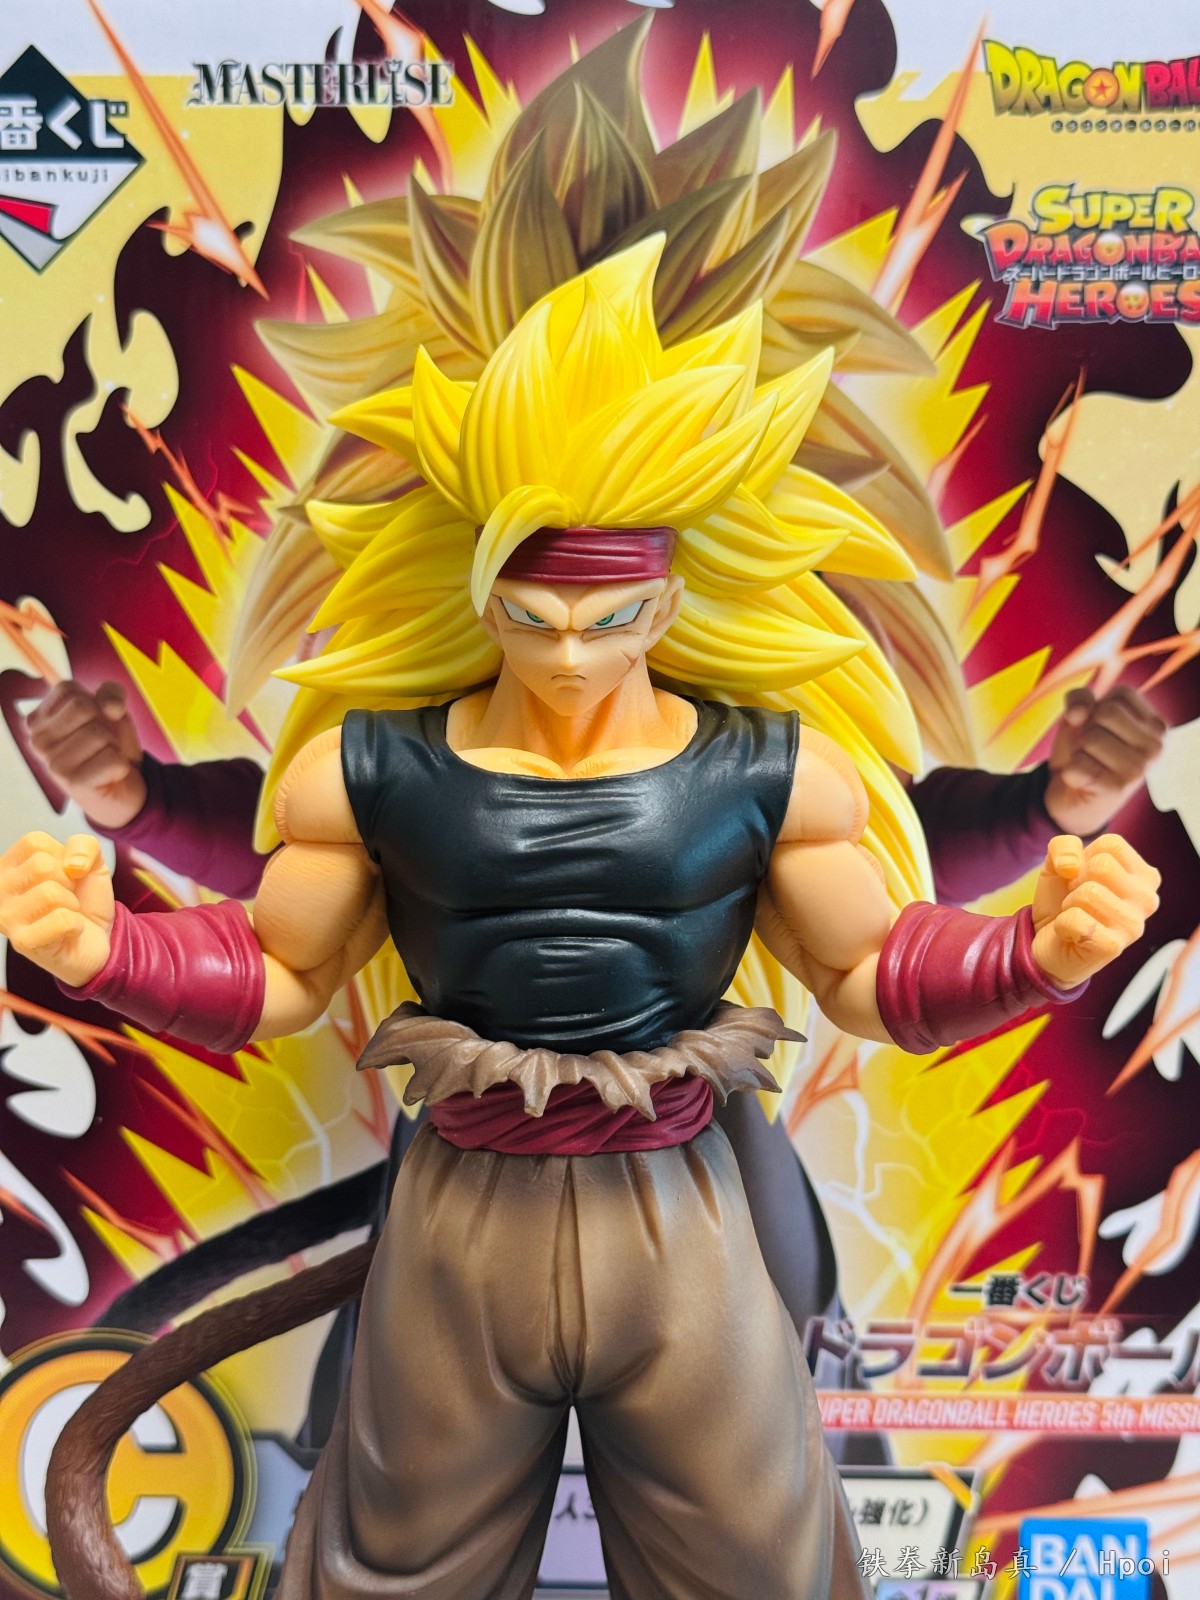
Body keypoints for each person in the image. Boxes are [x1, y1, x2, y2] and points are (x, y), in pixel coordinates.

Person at [2, 248, 1159, 1599]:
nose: (567, 654)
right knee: (397, 1572)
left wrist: (1035, 953)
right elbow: (278, 968)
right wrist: (110, 954)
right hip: (462, 1207)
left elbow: (867, 969)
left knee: (759, 1570)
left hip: (679, 1205)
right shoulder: (367, 768)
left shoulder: (771, 770)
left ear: (663, 603)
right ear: (482, 592)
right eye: (533, 616)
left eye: (607, 618)